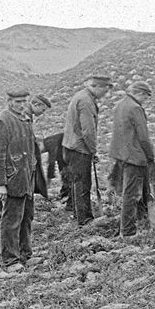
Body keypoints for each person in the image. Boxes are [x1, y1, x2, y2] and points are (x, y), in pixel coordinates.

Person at [0, 90, 39, 270]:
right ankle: (11, 260)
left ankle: (25, 254)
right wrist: (0, 184)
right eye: (17, 101)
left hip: (26, 178)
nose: (21, 104)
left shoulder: (25, 119)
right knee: (11, 221)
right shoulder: (2, 121)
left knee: (26, 218)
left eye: (24, 101)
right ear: (9, 101)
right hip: (13, 178)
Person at [0, 94, 50, 222]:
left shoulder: (27, 114)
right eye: (42, 110)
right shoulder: (24, 113)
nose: (42, 113)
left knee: (0, 173)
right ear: (36, 105)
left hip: (0, 143)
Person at [62, 75, 113, 225]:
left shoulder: (82, 96)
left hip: (72, 146)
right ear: (96, 86)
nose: (106, 93)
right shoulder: (86, 101)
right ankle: (84, 220)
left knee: (78, 183)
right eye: (105, 89)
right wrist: (93, 150)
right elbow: (88, 131)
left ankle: (80, 216)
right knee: (83, 184)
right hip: (79, 149)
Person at [109, 82, 155, 236]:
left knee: (132, 191)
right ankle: (128, 230)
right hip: (134, 155)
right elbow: (143, 137)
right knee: (131, 193)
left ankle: (141, 220)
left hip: (121, 154)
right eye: (145, 97)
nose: (145, 101)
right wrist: (150, 155)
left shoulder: (120, 105)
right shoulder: (135, 108)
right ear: (141, 94)